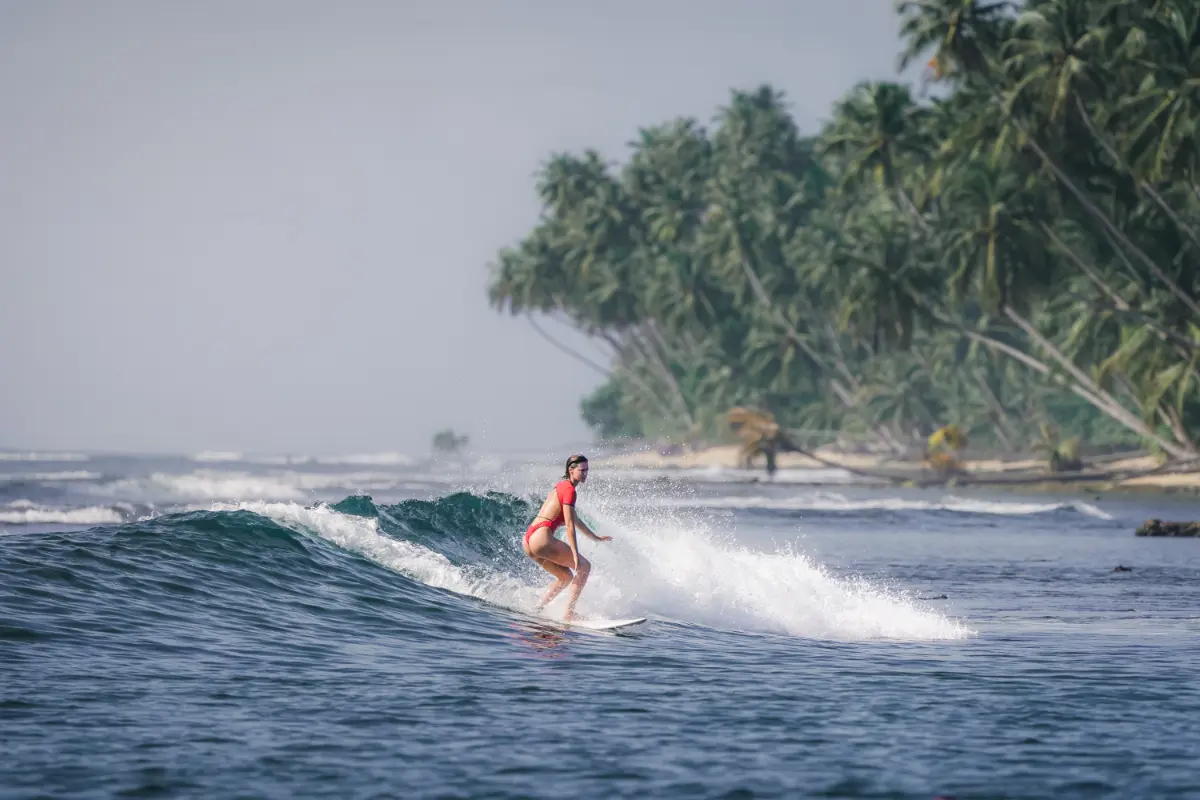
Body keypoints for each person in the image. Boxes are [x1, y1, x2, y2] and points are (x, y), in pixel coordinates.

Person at [521, 454, 611, 620]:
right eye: (582, 470)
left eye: (587, 470)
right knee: (584, 567)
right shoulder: (569, 490)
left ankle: (538, 608)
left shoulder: (561, 486)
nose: (585, 474)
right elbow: (569, 525)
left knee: (565, 577)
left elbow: (575, 519)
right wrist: (575, 554)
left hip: (529, 539)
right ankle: (569, 614)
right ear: (571, 470)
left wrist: (595, 538)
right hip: (542, 538)